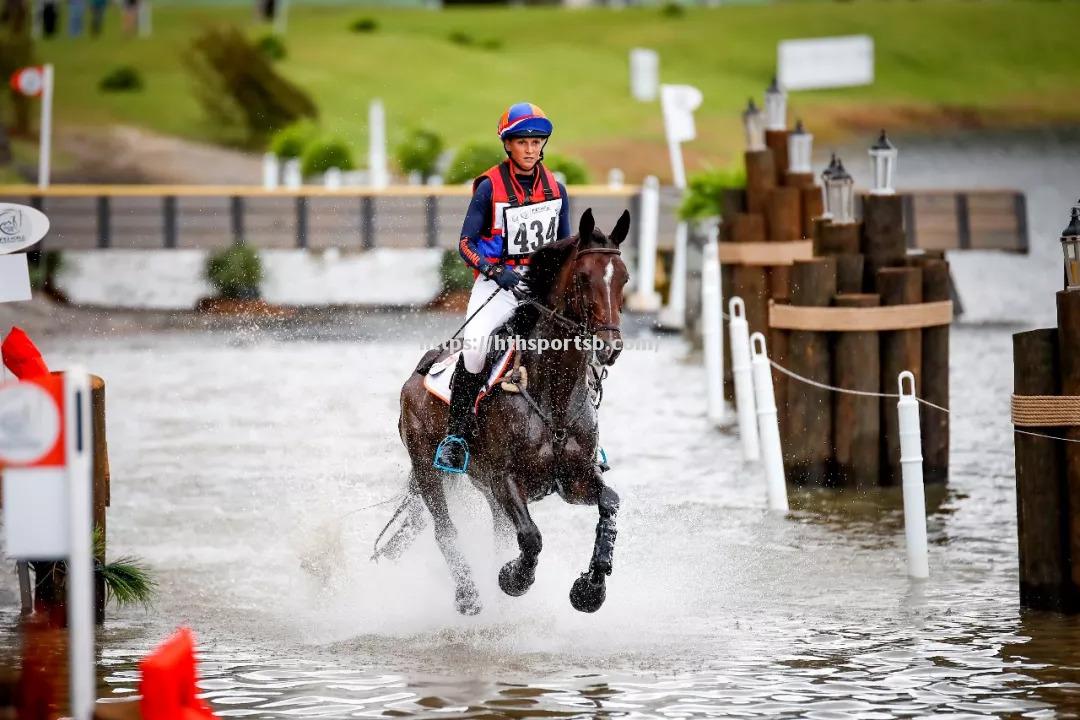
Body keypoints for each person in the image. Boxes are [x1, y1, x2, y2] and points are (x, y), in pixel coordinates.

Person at [433, 102, 570, 474]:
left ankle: (581, 440)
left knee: (573, 348)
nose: (530, 149)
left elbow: (566, 248)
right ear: (508, 145)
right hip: (497, 287)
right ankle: (456, 437)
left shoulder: (556, 190)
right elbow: (465, 243)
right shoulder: (488, 187)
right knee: (476, 351)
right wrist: (494, 270)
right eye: (522, 141)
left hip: (539, 291)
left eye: (536, 141)